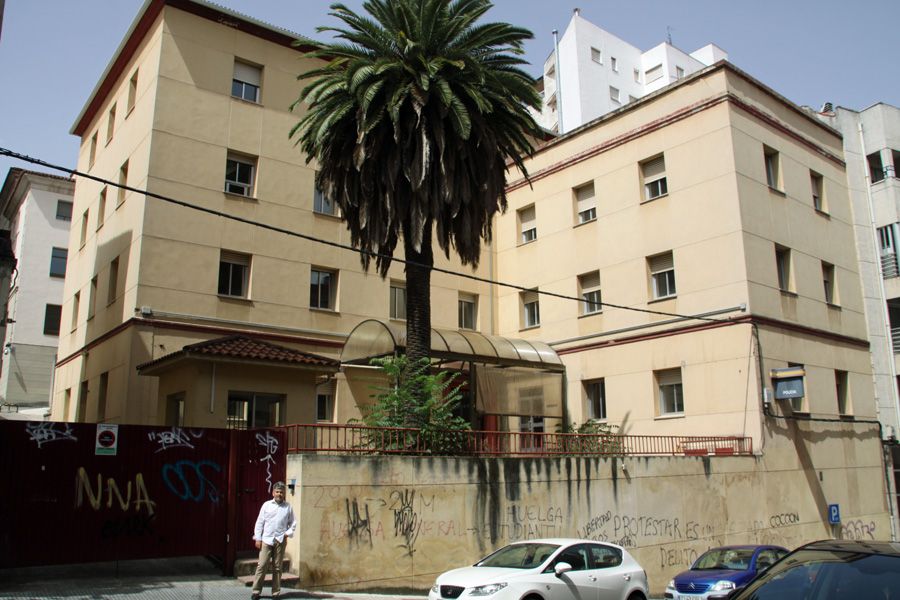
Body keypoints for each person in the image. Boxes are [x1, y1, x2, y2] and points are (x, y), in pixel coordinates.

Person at [251, 481, 297, 600]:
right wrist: (258, 538)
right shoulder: (266, 505)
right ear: (273, 493)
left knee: (277, 567)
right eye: (277, 492)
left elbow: (293, 522)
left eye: (281, 492)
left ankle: (275, 593)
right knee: (262, 565)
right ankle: (256, 591)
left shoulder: (288, 507)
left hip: (280, 540)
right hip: (266, 539)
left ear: (284, 494)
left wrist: (287, 534)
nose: (279, 494)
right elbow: (260, 522)